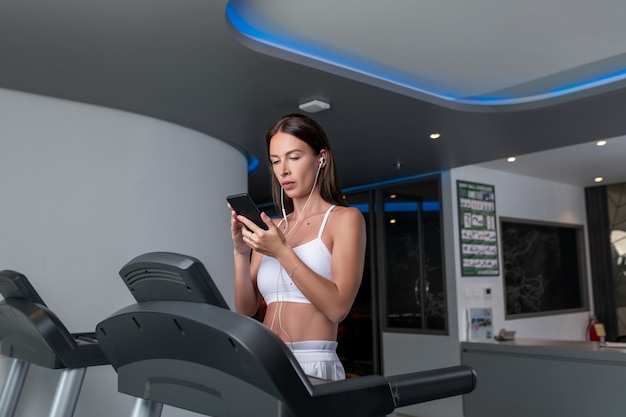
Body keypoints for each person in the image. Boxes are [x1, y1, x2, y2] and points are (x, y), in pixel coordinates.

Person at [229, 113, 366, 381]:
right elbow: (246, 309)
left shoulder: (345, 220)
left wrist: (282, 252)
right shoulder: (273, 228)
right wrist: (240, 252)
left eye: (294, 157)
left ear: (321, 158)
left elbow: (338, 307)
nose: (284, 171)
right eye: (276, 161)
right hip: (266, 362)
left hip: (313, 364)